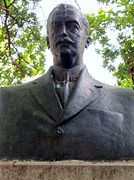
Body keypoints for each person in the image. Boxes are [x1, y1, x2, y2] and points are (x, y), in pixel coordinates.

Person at [0, 3, 134, 161]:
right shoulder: (6, 99)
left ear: (87, 41)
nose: (63, 32)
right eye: (56, 27)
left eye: (72, 27)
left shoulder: (127, 100)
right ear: (47, 41)